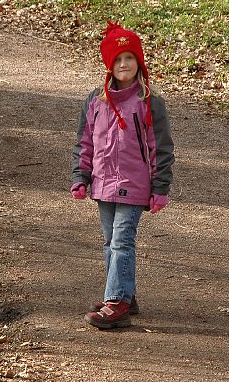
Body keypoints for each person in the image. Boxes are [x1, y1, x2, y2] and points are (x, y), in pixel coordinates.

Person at [71, 20, 175, 329]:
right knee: (109, 241)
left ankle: (116, 302)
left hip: (135, 183)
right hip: (103, 183)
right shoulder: (96, 100)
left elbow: (162, 148)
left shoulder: (148, 102)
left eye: (129, 58)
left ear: (139, 63)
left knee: (121, 240)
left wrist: (160, 187)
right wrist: (81, 175)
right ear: (109, 65)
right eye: (117, 60)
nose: (124, 64)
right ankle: (124, 292)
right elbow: (85, 141)